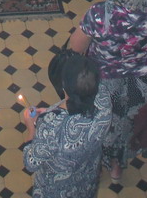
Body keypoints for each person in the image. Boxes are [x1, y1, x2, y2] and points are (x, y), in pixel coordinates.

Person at [68, 0, 147, 182]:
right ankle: (116, 166)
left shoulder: (99, 13)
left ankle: (95, 165)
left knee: (101, 121)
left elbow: (75, 47)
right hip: (140, 81)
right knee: (128, 123)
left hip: (104, 81)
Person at [22, 53, 111, 198]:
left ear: (64, 86)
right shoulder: (104, 97)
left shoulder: (51, 126)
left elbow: (31, 162)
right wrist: (50, 112)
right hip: (87, 177)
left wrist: (31, 128)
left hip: (57, 190)